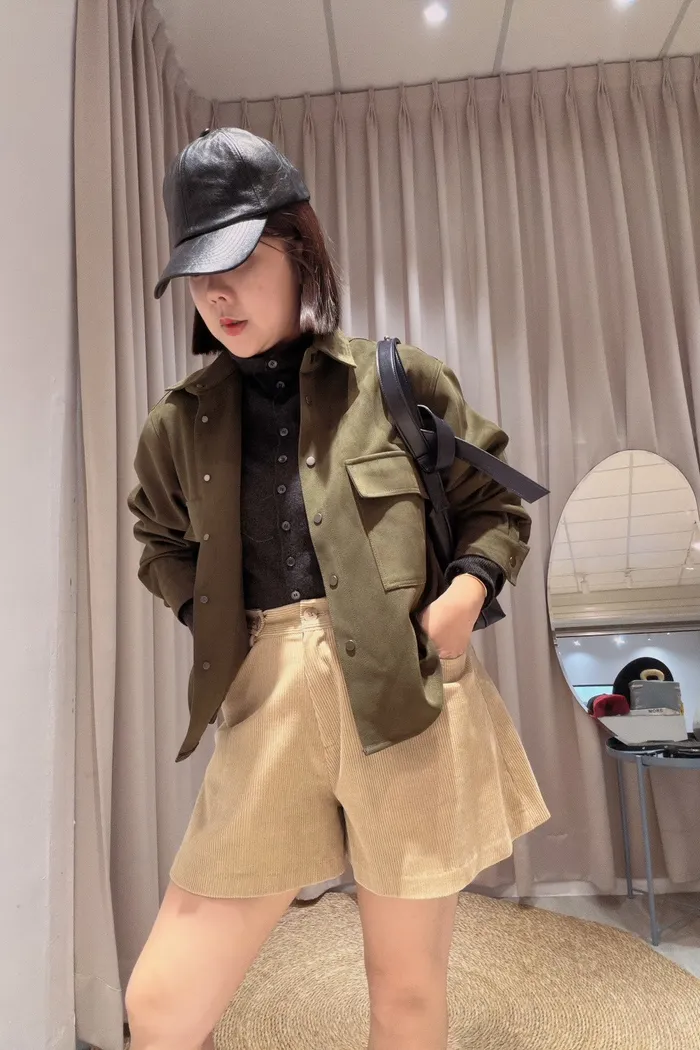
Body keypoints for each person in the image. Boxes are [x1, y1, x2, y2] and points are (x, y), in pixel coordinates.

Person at [125, 127, 550, 1050]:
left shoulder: (399, 382)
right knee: (159, 1007)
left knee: (405, 992)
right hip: (266, 698)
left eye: (240, 262)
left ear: (300, 249)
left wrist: (462, 598)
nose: (218, 294)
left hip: (405, 696)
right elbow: (157, 539)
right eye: (199, 274)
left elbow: (496, 508)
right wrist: (208, 616)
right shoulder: (178, 426)